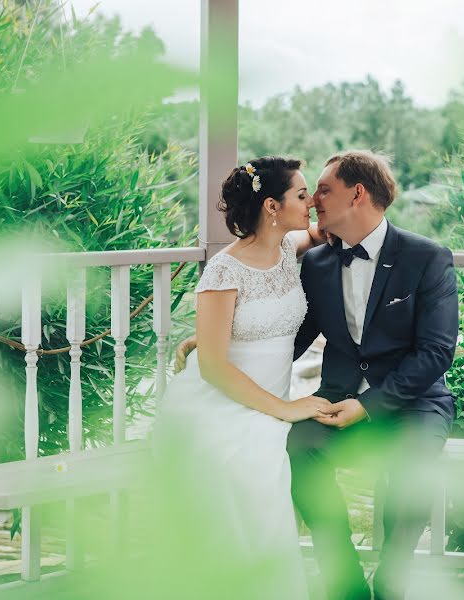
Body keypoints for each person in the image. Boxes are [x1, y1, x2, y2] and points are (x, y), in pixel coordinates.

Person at [177, 150, 459, 600]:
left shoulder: (426, 258)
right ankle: (343, 578)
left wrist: (367, 406)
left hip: (414, 403)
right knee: (298, 447)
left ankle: (392, 579)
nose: (313, 201)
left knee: (415, 463)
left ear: (358, 194)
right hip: (335, 398)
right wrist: (216, 344)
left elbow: (436, 353)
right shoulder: (317, 263)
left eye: (323, 190)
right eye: (308, 193)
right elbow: (289, 332)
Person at [149, 156, 327, 599]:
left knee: (263, 461)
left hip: (263, 401)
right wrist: (286, 409)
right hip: (218, 401)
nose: (312, 205)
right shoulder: (224, 270)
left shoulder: (288, 248)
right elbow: (212, 366)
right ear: (271, 206)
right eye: (303, 196)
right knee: (248, 467)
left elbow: (333, 228)